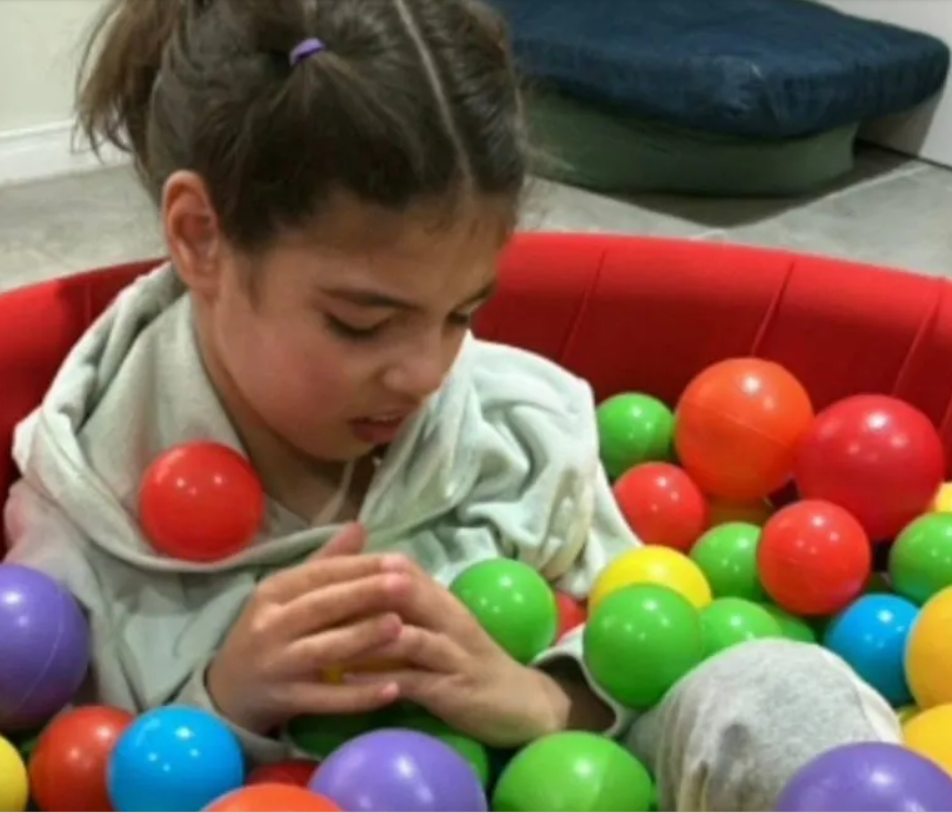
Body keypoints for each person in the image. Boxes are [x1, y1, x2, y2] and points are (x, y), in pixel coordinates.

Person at [3, 0, 899, 808]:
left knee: (787, 689)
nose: (427, 371)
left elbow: (652, 651)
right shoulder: (89, 503)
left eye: (463, 312)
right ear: (202, 237)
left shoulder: (515, 424)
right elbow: (66, 760)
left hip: (560, 782)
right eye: (362, 324)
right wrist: (224, 703)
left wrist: (543, 696)